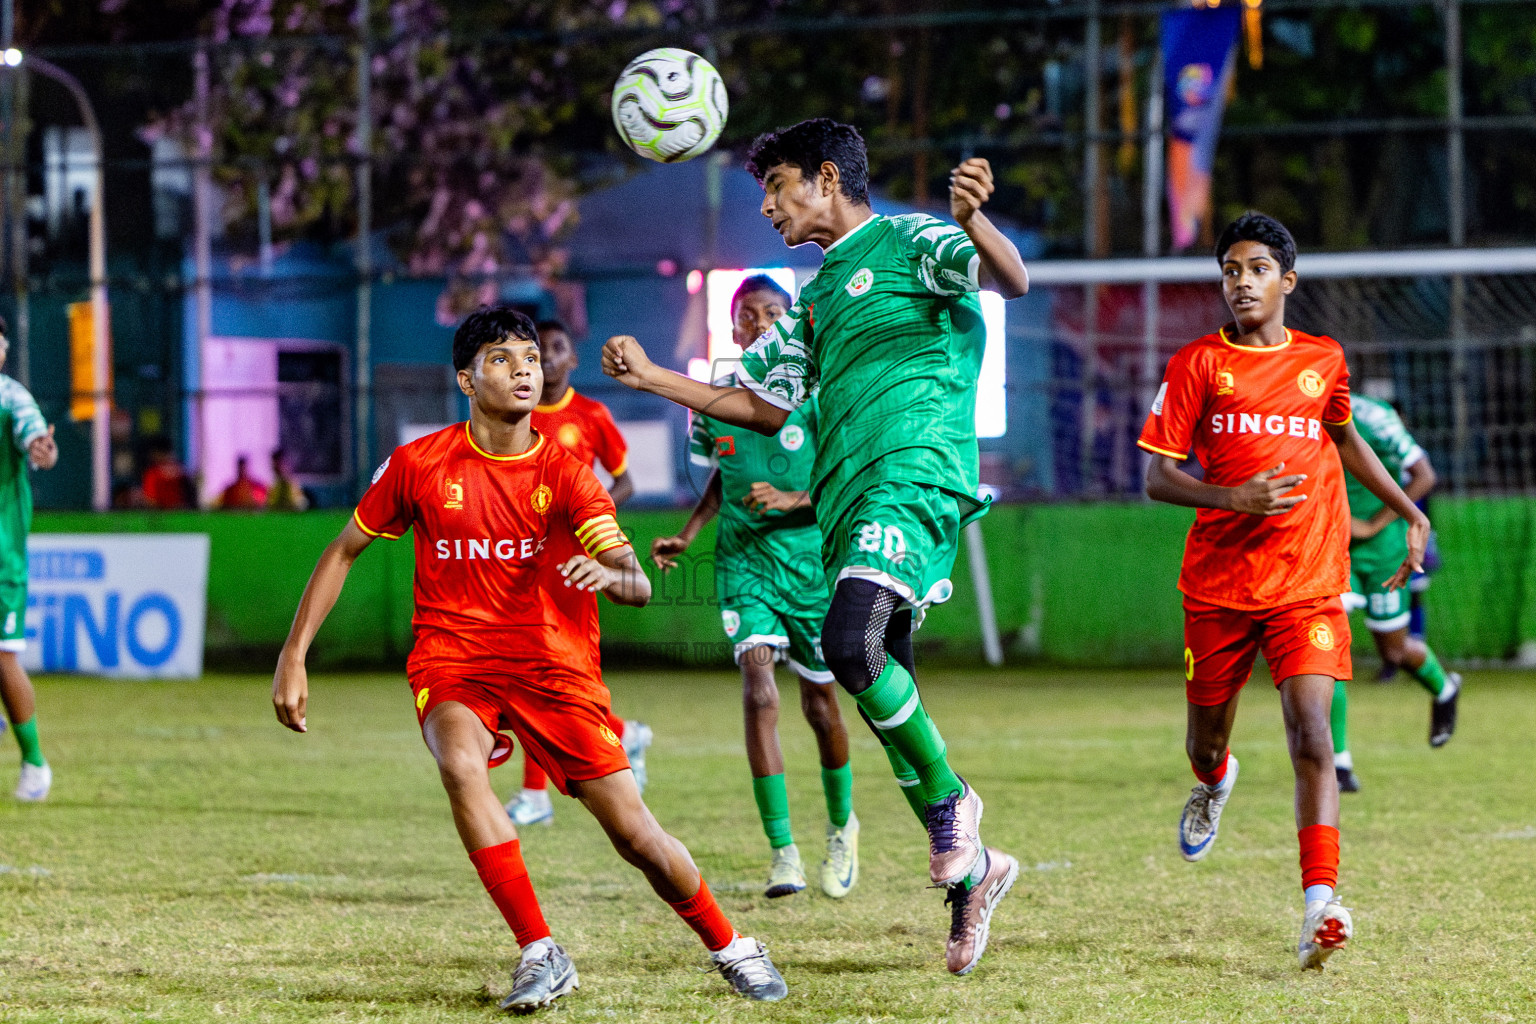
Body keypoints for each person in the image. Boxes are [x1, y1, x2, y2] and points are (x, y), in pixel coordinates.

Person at [603, 118, 1030, 975]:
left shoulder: (911, 240)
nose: (766, 206)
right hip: (848, 499)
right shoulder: (819, 297)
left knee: (846, 645)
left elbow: (1008, 278)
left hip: (914, 472)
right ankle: (973, 872)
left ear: (826, 178)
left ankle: (957, 807)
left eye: (777, 187)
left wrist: (977, 219)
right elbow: (765, 408)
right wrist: (655, 379)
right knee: (881, 686)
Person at [271, 307, 786, 1011]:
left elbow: (634, 580)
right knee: (459, 764)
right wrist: (293, 655)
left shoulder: (568, 473)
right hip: (454, 663)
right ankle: (540, 949)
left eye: (530, 360)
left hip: (554, 669)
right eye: (503, 359)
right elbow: (343, 550)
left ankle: (731, 945)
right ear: (466, 378)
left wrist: (613, 576)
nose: (523, 370)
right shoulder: (420, 465)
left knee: (636, 837)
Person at [1138, 212, 1431, 970]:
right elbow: (1157, 478)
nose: (1242, 281)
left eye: (1258, 268)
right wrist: (1236, 498)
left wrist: (1406, 508)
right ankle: (1214, 779)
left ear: (1287, 280)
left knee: (1313, 732)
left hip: (1307, 580)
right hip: (1219, 585)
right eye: (1231, 270)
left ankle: (1318, 905)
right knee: (1206, 739)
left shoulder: (1323, 360)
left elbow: (1344, 437)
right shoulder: (1198, 364)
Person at [651, 275, 858, 901]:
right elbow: (720, 477)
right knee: (760, 693)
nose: (761, 323)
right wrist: (689, 534)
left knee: (821, 708)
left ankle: (842, 826)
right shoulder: (713, 400)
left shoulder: (818, 395)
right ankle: (783, 853)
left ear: (790, 323)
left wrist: (795, 497)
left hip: (812, 566)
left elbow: (845, 477)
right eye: (748, 315)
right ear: (734, 327)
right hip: (745, 565)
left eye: (773, 313)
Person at [504, 318, 651, 829]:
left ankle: (536, 794)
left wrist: (588, 515)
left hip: (576, 558)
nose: (545, 358)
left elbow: (626, 481)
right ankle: (621, 734)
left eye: (556, 349)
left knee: (544, 670)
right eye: (536, 350)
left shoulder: (591, 414)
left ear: (572, 360)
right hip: (521, 556)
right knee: (534, 668)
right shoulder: (512, 416)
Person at [1333, 393, 1460, 791]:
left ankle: (1445, 687)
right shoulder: (1297, 411)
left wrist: (1372, 524)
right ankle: (1339, 764)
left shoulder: (1376, 416)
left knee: (1394, 651)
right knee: (1326, 649)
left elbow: (1424, 475)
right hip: (1331, 549)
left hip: (1384, 549)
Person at [0, 322, 58, 801]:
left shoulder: (11, 398)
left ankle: (35, 764)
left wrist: (42, 447)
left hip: (2, 557)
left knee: (3, 657)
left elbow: (32, 434)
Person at [141, 436, 196, 509]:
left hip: (162, 515)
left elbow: (151, 501)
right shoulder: (182, 471)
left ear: (155, 453)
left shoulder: (153, 474)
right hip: (182, 513)